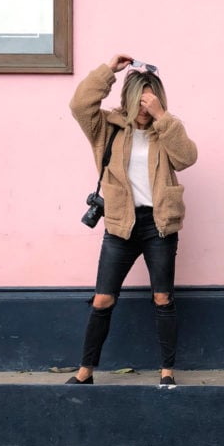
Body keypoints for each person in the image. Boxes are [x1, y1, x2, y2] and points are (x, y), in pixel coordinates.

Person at [65, 53, 198, 387]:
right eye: (139, 100)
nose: (144, 107)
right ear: (128, 98)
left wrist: (162, 116)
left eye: (150, 101)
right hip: (120, 223)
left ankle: (167, 371)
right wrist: (108, 70)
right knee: (103, 299)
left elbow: (187, 158)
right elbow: (79, 105)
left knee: (162, 297)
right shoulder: (107, 127)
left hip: (159, 224)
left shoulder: (165, 130)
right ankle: (85, 371)